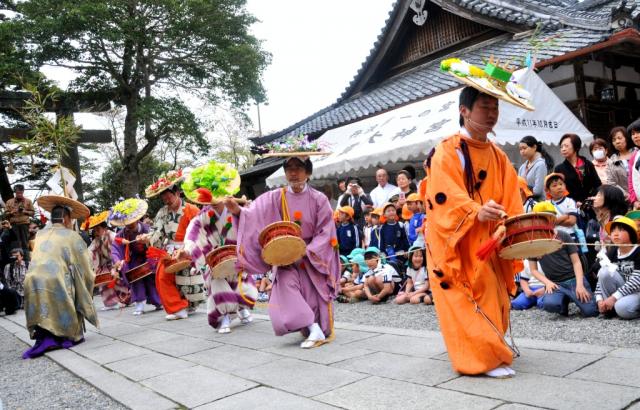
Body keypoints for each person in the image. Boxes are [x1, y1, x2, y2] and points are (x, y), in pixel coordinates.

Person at [425, 84, 525, 378]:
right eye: (484, 107)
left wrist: (513, 224)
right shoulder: (447, 151)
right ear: (464, 110)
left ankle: (491, 347)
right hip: (457, 238)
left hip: (490, 237)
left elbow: (511, 197)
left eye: (495, 108)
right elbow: (443, 194)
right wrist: (474, 211)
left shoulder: (498, 156)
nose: (492, 113)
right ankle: (480, 357)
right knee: (467, 294)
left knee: (493, 292)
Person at [226, 154, 340, 349]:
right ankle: (313, 328)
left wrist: (306, 250)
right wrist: (236, 210)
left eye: (298, 168)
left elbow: (326, 232)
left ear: (308, 172)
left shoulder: (319, 199)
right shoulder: (274, 196)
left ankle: (315, 327)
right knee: (284, 289)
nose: (293, 173)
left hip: (310, 257)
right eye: (289, 169)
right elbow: (252, 214)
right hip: (284, 256)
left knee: (313, 298)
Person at [182, 162, 257, 332]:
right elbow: (192, 235)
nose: (214, 202)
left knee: (241, 286)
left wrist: (245, 210)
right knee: (216, 283)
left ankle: (242, 308)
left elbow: (252, 223)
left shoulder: (235, 209)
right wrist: (187, 250)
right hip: (214, 259)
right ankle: (223, 318)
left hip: (236, 255)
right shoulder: (203, 217)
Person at [22, 195, 98, 358]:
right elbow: (85, 266)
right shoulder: (71, 236)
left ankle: (44, 335)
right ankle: (63, 334)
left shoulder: (40, 234)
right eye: (70, 218)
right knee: (69, 281)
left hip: (31, 279)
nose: (71, 222)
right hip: (55, 279)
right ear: (65, 219)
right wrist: (89, 278)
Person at [144, 170, 201, 320]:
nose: (167, 201)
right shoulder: (162, 212)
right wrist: (148, 238)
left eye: (169, 197)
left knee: (186, 281)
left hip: (188, 248)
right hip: (169, 249)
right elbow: (157, 231)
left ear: (177, 193)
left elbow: (200, 231)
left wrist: (188, 249)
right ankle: (178, 308)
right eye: (164, 199)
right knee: (162, 275)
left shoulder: (191, 209)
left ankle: (187, 306)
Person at [527, 202, 597, 317]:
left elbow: (576, 262)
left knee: (591, 312)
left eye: (549, 218)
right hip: (555, 283)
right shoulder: (532, 242)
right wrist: (547, 283)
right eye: (541, 218)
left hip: (574, 279)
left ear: (554, 219)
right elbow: (533, 270)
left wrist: (580, 284)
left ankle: (572, 295)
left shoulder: (564, 235)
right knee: (550, 305)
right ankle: (562, 300)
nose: (546, 222)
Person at [109, 198, 162, 316]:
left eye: (131, 220)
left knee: (152, 280)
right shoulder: (121, 234)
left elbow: (157, 240)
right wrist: (118, 261)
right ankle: (139, 304)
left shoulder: (147, 228)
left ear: (137, 218)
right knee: (135, 279)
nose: (129, 223)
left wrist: (148, 241)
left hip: (149, 257)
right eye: (126, 221)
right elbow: (115, 248)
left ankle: (158, 301)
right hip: (133, 260)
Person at [594, 215, 640, 319]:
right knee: (604, 271)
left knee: (622, 308)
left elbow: (637, 280)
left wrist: (614, 298)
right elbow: (601, 277)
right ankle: (608, 309)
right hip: (622, 291)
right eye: (613, 230)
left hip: (637, 291)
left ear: (631, 233)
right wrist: (599, 299)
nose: (615, 233)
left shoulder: (638, 251)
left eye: (621, 230)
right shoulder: (613, 251)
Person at [554, 133, 602, 205]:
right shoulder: (559, 169)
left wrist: (594, 198)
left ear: (576, 147)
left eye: (566, 146)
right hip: (571, 206)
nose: (563, 149)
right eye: (561, 147)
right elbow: (559, 190)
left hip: (590, 204)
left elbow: (597, 185)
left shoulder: (587, 164)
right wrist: (573, 202)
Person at [518, 136, 554, 201]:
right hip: (524, 204)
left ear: (534, 147)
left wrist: (524, 191)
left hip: (538, 205)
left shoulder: (540, 165)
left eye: (524, 148)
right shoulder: (522, 167)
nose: (522, 151)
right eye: (520, 149)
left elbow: (537, 191)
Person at [5, 184, 35, 261]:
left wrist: (24, 211)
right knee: (15, 244)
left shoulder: (28, 201)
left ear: (23, 192)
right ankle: (16, 261)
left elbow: (32, 213)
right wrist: (11, 212)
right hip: (14, 226)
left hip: (24, 225)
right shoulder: (9, 202)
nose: (19, 195)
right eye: (18, 193)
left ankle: (26, 261)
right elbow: (5, 215)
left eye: (21, 193)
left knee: (25, 243)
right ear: (15, 192)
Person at [0, 248, 27, 314]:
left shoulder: (28, 265)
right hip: (15, 293)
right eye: (13, 256)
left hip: (26, 292)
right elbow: (7, 282)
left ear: (22, 256)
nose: (15, 258)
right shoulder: (8, 267)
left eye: (17, 256)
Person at [627, 119, 640, 209]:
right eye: (632, 134)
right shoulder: (635, 155)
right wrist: (634, 200)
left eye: (638, 132)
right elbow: (631, 179)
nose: (635, 136)